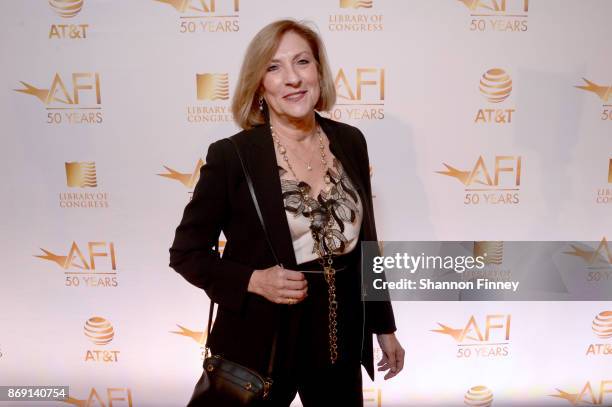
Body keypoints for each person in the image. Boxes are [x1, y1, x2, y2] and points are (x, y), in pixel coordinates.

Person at [169, 19, 404, 407]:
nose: (292, 78)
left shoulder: (350, 141)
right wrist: (253, 280)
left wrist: (384, 327)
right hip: (261, 340)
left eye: (302, 62)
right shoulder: (233, 156)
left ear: (318, 72)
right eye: (274, 67)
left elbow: (367, 245)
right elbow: (186, 253)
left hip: (338, 335)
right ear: (259, 84)